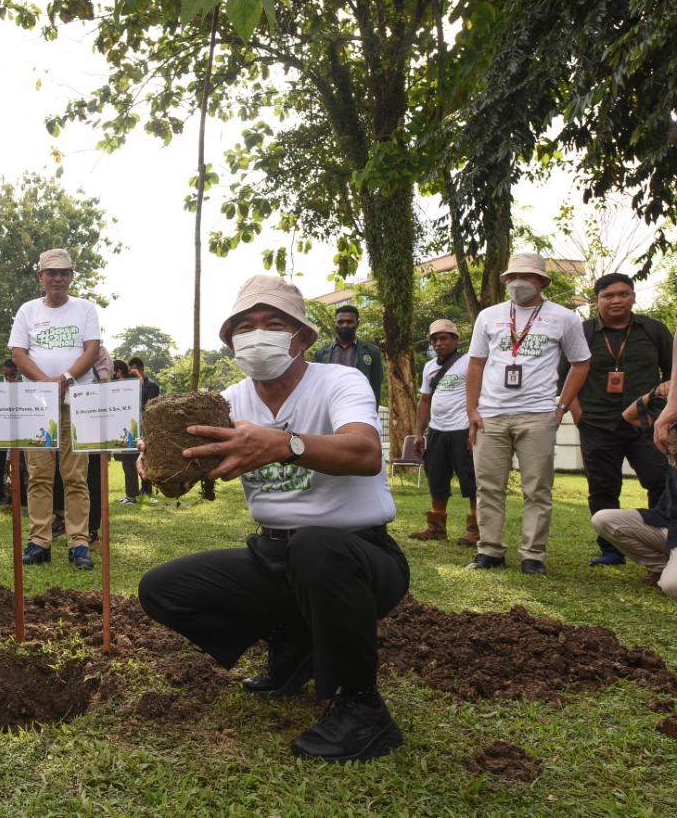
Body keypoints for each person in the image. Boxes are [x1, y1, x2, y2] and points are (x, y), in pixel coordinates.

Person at [137, 275, 408, 764]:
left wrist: (284, 444)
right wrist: (160, 460)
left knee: (316, 546)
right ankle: (295, 642)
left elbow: (366, 451)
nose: (257, 334)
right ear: (230, 342)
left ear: (302, 337)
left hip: (360, 558)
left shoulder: (339, 381)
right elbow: (190, 464)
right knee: (162, 588)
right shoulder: (227, 402)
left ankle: (363, 709)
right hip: (278, 555)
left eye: (273, 323)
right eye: (244, 327)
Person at [465, 252, 591, 575]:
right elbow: (476, 364)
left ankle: (533, 554)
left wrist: (561, 405)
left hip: (538, 413)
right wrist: (472, 410)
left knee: (537, 488)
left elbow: (581, 363)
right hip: (491, 415)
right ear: (505, 281)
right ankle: (489, 549)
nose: (518, 282)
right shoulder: (488, 317)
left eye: (527, 277)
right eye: (512, 277)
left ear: (542, 281)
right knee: (489, 486)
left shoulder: (564, 318)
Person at [567, 273, 673, 566]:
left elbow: (672, 374)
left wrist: (665, 409)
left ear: (633, 296)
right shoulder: (583, 332)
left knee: (660, 479)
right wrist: (577, 413)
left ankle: (662, 544)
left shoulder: (653, 330)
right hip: (597, 423)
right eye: (608, 295)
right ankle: (611, 550)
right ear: (596, 300)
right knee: (603, 486)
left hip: (646, 424)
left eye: (623, 294)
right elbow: (565, 376)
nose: (616, 300)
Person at [9, 247, 101, 571]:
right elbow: (19, 354)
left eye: (64, 272)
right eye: (52, 273)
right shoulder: (27, 311)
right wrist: (46, 382)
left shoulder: (85, 309)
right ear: (41, 278)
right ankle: (39, 542)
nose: (58, 278)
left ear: (72, 276)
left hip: (77, 402)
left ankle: (79, 543)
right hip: (36, 404)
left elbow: (92, 350)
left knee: (75, 476)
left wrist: (63, 379)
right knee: (38, 476)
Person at [592, 381, 676, 590]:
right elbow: (629, 415)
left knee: (671, 587)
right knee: (603, 519)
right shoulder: (670, 430)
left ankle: (670, 573)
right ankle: (661, 566)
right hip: (667, 522)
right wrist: (655, 393)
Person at [409, 319, 478, 544]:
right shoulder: (429, 367)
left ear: (455, 339)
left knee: (471, 479)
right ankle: (436, 527)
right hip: (437, 430)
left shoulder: (469, 362)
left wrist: (474, 428)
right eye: (434, 339)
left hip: (463, 429)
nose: (438, 343)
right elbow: (425, 400)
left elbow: (480, 395)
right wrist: (420, 433)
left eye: (443, 338)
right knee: (436, 478)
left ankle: (476, 530)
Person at [313, 304, 383, 401]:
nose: (345, 325)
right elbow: (318, 386)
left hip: (359, 406)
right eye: (340, 322)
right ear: (335, 324)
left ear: (357, 324)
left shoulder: (372, 351)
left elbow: (376, 386)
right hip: (329, 407)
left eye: (349, 322)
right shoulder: (321, 353)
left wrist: (372, 413)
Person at [118, 356, 161, 504]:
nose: (130, 372)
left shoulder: (151, 386)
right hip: (130, 426)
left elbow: (150, 409)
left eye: (133, 370)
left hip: (145, 428)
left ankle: (147, 492)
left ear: (141, 369)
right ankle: (131, 494)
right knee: (128, 461)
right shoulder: (126, 386)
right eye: (129, 370)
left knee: (145, 460)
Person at [0, 359, 28, 507]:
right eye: (6, 374)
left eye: (12, 374)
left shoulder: (24, 382)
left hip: (20, 425)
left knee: (21, 462)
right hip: (0, 425)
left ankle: (22, 497)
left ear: (17, 372)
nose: (9, 377)